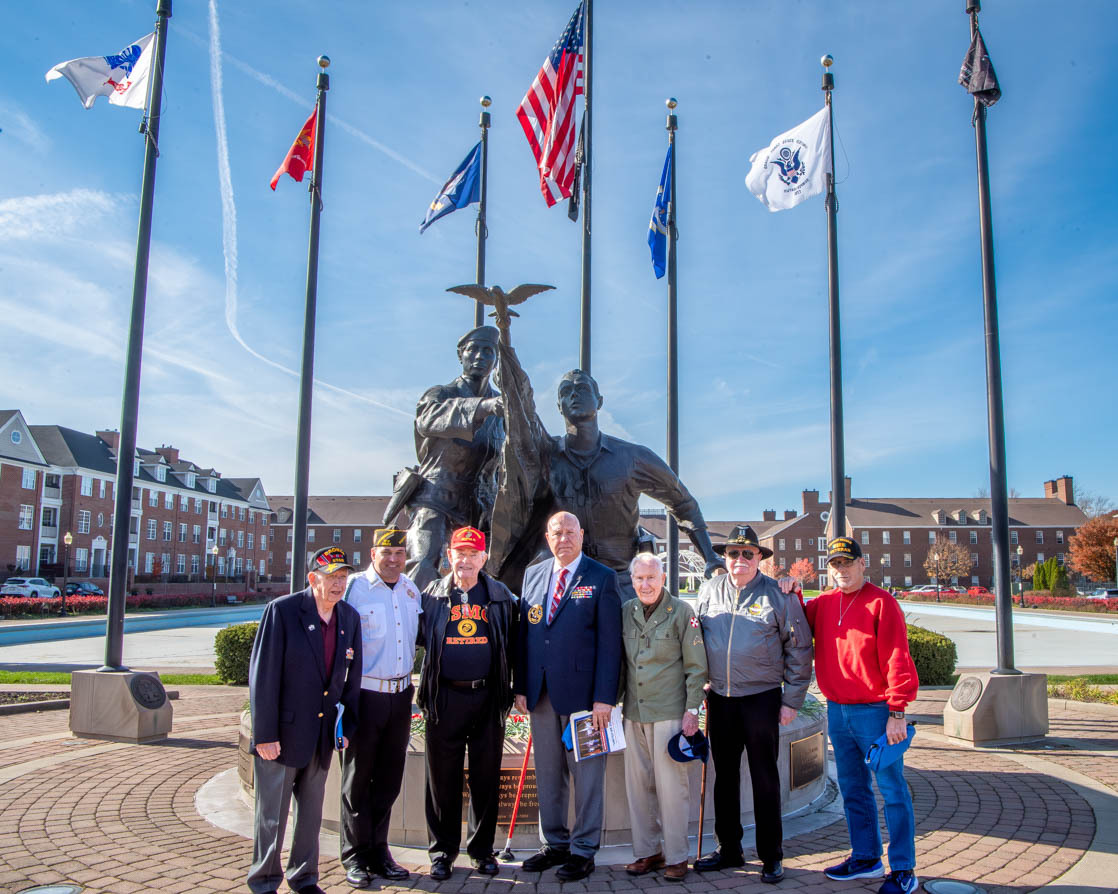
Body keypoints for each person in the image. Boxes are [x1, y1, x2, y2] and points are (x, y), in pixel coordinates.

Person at [488, 363, 723, 595]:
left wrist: (710, 557)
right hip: (562, 582)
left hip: (619, 582)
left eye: (582, 389)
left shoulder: (631, 458)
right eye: (566, 392)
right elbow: (520, 428)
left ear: (599, 401)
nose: (574, 395)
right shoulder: (545, 457)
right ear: (559, 406)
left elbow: (683, 503)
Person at [693, 524, 813, 883]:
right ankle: (728, 849)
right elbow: (695, 639)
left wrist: (792, 699)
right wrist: (696, 686)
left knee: (764, 778)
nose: (740, 559)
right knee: (724, 779)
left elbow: (799, 649)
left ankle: (771, 855)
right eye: (733, 553)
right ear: (725, 557)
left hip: (761, 698)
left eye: (748, 553)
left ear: (760, 557)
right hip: (721, 698)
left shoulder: (779, 594)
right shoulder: (709, 590)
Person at [805, 537, 920, 894]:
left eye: (847, 563)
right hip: (837, 711)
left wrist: (897, 711)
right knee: (854, 789)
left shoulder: (881, 603)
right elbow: (790, 619)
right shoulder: (823, 603)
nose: (841, 570)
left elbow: (897, 656)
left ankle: (903, 868)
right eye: (835, 564)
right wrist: (788, 589)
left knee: (892, 790)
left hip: (876, 712)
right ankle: (866, 857)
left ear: (862, 563)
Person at [513, 511, 623, 881]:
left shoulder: (601, 578)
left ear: (581, 535)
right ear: (548, 537)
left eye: (570, 532)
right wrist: (521, 688)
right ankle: (555, 844)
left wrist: (604, 698)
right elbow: (526, 636)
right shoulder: (533, 575)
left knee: (588, 775)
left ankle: (583, 849)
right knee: (547, 775)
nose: (564, 538)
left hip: (586, 701)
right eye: (557, 532)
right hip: (541, 695)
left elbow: (610, 645)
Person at [247, 546, 362, 894]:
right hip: (282, 735)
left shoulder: (349, 618)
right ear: (313, 579)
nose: (338, 584)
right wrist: (264, 734)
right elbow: (263, 675)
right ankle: (264, 880)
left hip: (323, 736)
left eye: (343, 578)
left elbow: (350, 678)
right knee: (272, 817)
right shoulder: (282, 612)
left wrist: (347, 726)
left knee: (310, 816)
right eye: (331, 577)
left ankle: (304, 877)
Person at [416, 526, 518, 881]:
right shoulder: (432, 595)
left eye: (473, 554)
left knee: (485, 777)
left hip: (488, 696)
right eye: (460, 553)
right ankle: (442, 850)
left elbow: (517, 645)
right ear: (449, 556)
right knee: (441, 779)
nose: (466, 560)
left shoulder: (501, 596)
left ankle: (481, 850)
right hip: (445, 696)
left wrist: (517, 689)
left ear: (483, 558)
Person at [339, 527, 423, 888]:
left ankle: (379, 850)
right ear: (373, 553)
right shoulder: (353, 588)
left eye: (400, 553)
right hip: (365, 696)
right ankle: (355, 855)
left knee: (389, 779)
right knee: (357, 780)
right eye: (386, 553)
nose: (393, 560)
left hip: (402, 695)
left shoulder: (410, 589)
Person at [619, 553, 708, 882]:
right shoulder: (626, 612)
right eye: (639, 579)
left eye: (651, 578)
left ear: (663, 578)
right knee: (637, 787)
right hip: (633, 710)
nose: (645, 584)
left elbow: (697, 666)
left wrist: (693, 710)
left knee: (672, 788)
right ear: (632, 581)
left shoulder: (683, 613)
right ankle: (647, 851)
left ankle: (676, 856)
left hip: (670, 712)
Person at [394, 325, 504, 589]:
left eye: (488, 351)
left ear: (496, 359)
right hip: (437, 496)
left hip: (480, 504)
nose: (480, 356)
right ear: (461, 355)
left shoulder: (503, 405)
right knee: (422, 563)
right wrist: (483, 407)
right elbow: (428, 420)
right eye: (473, 350)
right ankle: (415, 626)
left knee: (489, 569)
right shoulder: (441, 394)